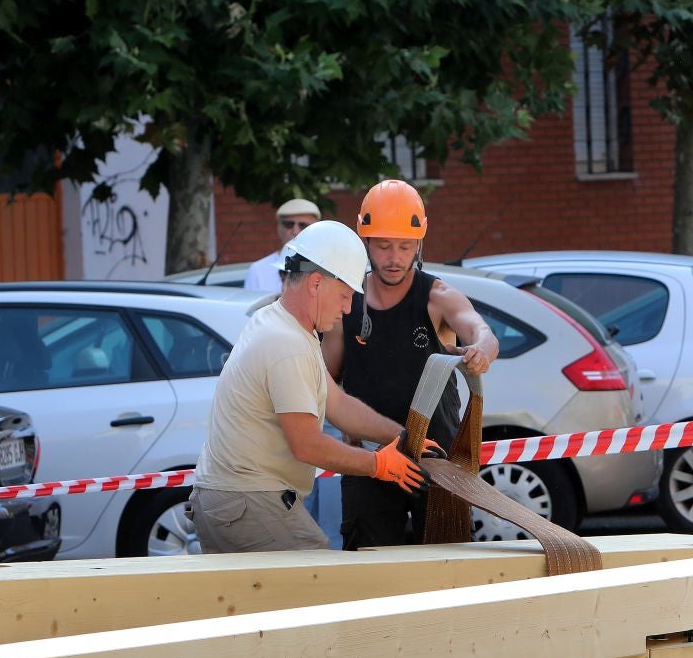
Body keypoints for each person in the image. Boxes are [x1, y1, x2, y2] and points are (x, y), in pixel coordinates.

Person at [192, 220, 427, 553]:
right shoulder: (286, 343)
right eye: (345, 295)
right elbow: (308, 446)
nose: (348, 308)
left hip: (236, 501)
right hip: (246, 502)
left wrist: (401, 437)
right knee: (320, 583)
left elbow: (338, 405)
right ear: (317, 283)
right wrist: (378, 465)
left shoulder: (285, 326)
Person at [322, 179, 499, 550]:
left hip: (440, 460)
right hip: (370, 460)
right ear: (365, 242)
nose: (394, 257)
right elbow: (323, 379)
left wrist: (481, 347)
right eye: (384, 245)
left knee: (448, 567)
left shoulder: (436, 297)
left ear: (419, 244)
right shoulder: (346, 304)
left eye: (405, 246)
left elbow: (478, 328)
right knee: (370, 569)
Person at [243, 199, 323, 294]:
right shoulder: (258, 270)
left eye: (303, 225)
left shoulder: (326, 269)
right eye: (289, 224)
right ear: (279, 227)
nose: (295, 231)